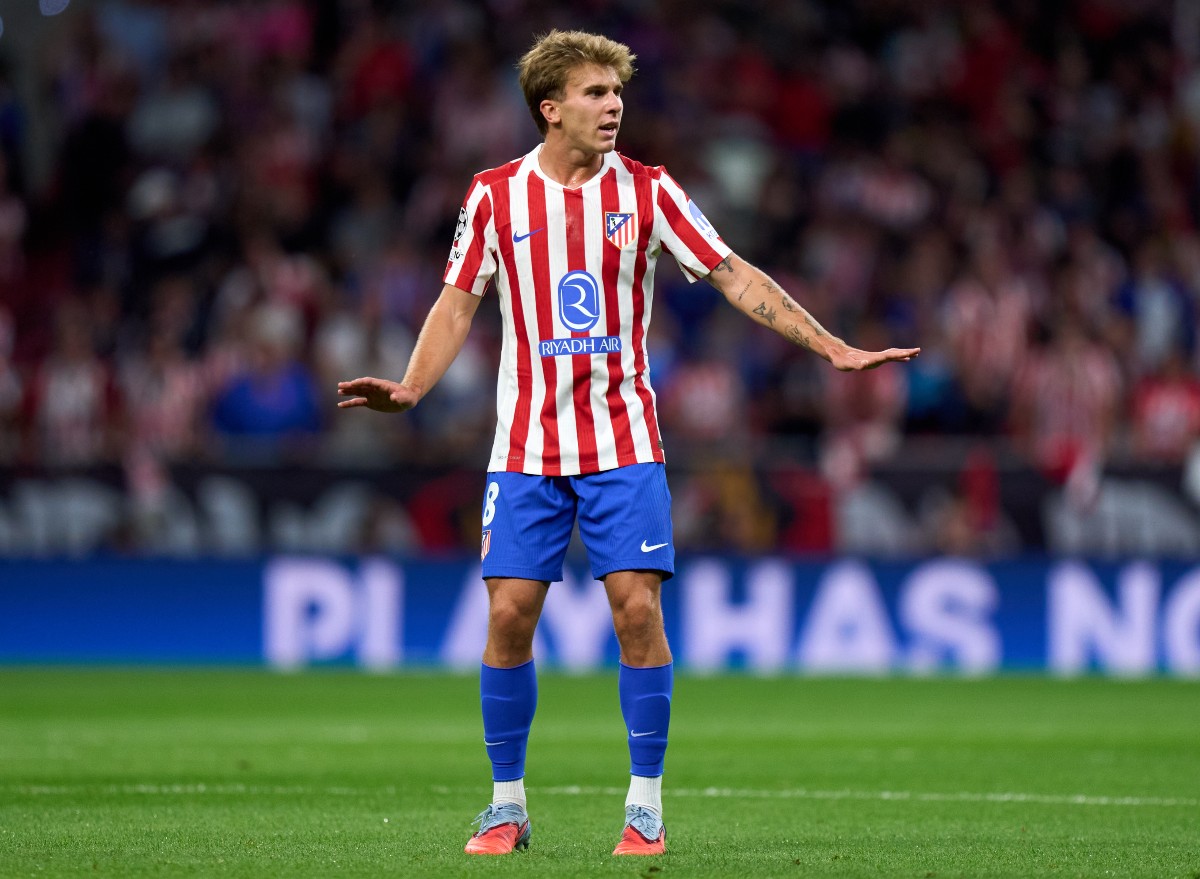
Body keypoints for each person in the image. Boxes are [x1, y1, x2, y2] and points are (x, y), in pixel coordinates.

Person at [337, 29, 919, 858]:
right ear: (551, 108)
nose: (613, 107)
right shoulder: (496, 196)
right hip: (526, 448)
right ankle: (506, 805)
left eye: (617, 93)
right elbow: (457, 302)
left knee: (637, 609)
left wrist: (832, 347)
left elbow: (735, 275)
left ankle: (644, 805)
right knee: (508, 614)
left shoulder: (649, 193)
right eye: (595, 93)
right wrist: (412, 387)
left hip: (623, 440)